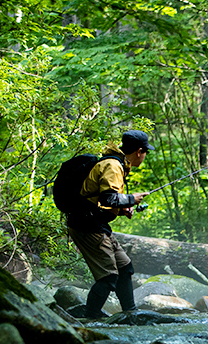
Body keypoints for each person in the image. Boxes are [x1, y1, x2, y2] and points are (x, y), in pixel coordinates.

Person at [66, 129, 154, 319]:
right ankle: (90, 319)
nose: (145, 156)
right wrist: (131, 199)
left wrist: (122, 209)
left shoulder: (116, 164)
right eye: (145, 152)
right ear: (139, 151)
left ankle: (130, 313)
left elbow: (100, 199)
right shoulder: (113, 166)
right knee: (108, 276)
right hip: (87, 224)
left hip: (96, 222)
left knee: (125, 267)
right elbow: (108, 198)